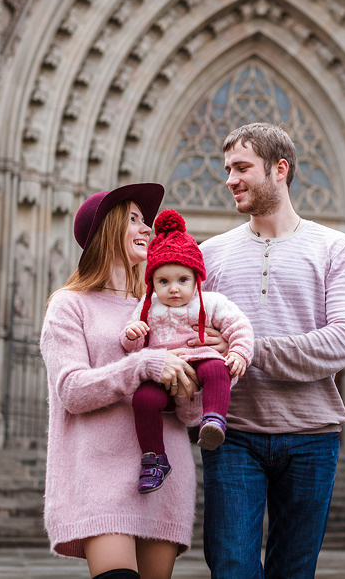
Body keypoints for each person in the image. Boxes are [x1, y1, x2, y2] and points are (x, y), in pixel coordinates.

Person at [196, 122, 345, 578]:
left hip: (313, 435)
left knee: (294, 570)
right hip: (233, 433)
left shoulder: (337, 248)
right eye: (227, 168)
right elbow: (192, 338)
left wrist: (249, 348)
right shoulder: (209, 255)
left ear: (279, 170)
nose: (230, 179)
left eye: (242, 168)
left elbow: (344, 340)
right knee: (231, 567)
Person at [40, 182, 202, 579]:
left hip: (164, 477)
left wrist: (196, 374)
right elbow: (71, 391)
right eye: (133, 219)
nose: (146, 228)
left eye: (145, 220)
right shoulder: (69, 305)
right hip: (99, 478)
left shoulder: (163, 307)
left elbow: (191, 413)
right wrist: (143, 365)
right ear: (105, 230)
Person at [120, 209, 254, 493]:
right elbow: (133, 344)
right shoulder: (148, 306)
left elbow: (239, 325)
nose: (174, 289)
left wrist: (240, 352)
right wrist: (132, 335)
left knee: (217, 367)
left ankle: (214, 418)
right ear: (152, 284)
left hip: (200, 360)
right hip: (163, 373)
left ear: (196, 280)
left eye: (183, 280)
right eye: (164, 281)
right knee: (143, 399)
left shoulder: (211, 302)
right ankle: (154, 458)